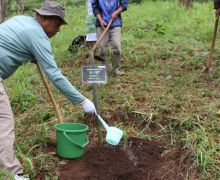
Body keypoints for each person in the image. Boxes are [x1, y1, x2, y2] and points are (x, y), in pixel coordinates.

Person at [0, 1, 96, 179]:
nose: (58, 29)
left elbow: (13, 42)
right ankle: (12, 174)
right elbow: (55, 75)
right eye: (57, 24)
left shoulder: (23, 20)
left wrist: (32, 54)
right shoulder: (36, 34)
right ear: (44, 19)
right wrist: (82, 101)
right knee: (4, 124)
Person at [92, 0, 128, 75]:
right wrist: (101, 20)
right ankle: (105, 69)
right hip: (102, 24)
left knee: (116, 46)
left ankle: (116, 69)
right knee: (102, 48)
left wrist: (116, 12)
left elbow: (124, 4)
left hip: (115, 23)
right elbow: (95, 7)